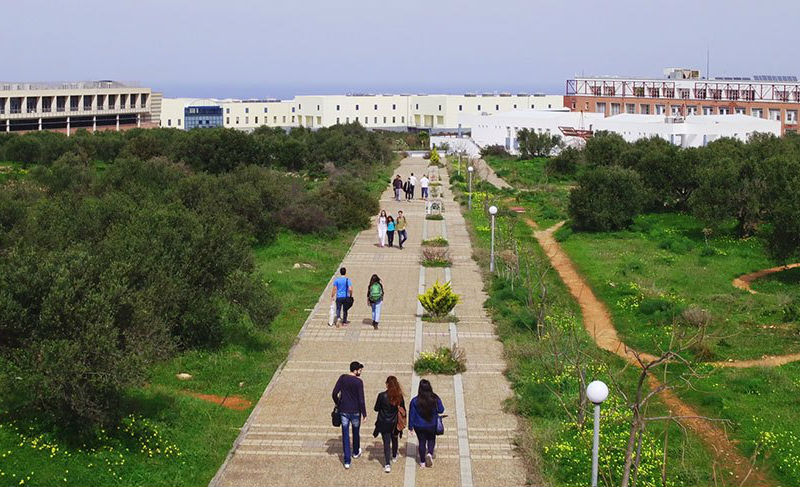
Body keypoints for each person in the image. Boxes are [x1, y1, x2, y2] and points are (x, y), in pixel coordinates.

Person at [332, 361, 367, 469]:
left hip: (344, 411)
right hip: (356, 411)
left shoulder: (342, 378)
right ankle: (356, 452)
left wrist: (338, 403)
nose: (360, 372)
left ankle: (347, 461)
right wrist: (364, 413)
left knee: (345, 435)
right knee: (356, 432)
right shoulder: (358, 382)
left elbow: (334, 393)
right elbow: (361, 400)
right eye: (360, 370)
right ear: (355, 370)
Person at [408, 379, 444, 468]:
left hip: (419, 425)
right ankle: (430, 453)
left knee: (421, 442)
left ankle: (422, 462)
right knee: (431, 439)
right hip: (432, 424)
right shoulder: (435, 398)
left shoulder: (415, 401)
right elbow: (441, 409)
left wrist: (410, 427)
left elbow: (412, 414)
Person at [373, 376, 405, 473]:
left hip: (384, 422)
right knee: (394, 439)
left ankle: (387, 464)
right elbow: (403, 409)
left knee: (386, 443)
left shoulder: (382, 395)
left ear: (387, 384)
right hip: (395, 422)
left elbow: (376, 408)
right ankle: (394, 455)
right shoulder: (399, 396)